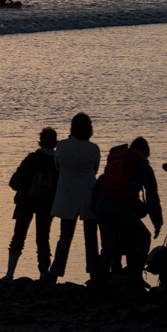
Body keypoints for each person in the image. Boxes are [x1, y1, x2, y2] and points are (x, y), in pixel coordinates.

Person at [93, 137, 163, 287]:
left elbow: (100, 182)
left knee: (107, 246)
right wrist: (157, 222)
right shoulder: (143, 167)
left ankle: (102, 284)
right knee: (144, 237)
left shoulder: (118, 162)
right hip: (120, 206)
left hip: (101, 205)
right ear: (146, 153)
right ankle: (136, 277)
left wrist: (94, 210)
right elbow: (152, 196)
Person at [46, 112, 101, 285]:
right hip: (89, 193)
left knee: (65, 236)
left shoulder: (62, 146)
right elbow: (95, 170)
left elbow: (58, 167)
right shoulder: (94, 148)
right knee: (91, 237)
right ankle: (94, 272)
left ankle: (55, 272)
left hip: (67, 194)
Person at [5, 127, 59, 280]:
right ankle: (43, 273)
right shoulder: (57, 163)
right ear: (55, 143)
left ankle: (10, 273)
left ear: (40, 141)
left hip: (26, 202)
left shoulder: (31, 159)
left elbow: (14, 182)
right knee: (43, 239)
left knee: (18, 237)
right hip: (47, 204)